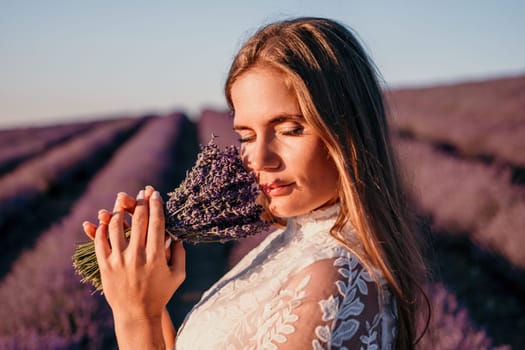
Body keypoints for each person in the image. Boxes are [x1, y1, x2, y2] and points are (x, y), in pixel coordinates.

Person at [83, 17, 429, 349]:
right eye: (246, 136)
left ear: (349, 132)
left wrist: (136, 316)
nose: (259, 159)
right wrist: (148, 301)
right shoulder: (290, 245)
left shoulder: (330, 282)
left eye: (290, 129)